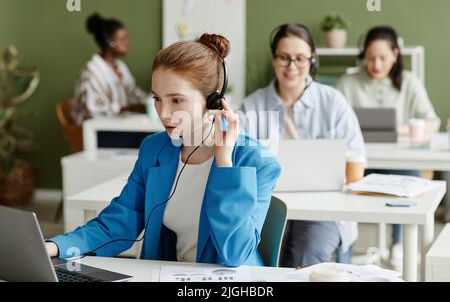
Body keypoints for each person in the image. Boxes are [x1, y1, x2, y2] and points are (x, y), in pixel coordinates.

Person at [45, 33, 281, 267]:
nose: (164, 112)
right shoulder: (155, 149)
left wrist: (224, 161)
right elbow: (121, 219)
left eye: (177, 100)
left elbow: (235, 253)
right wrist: (54, 247)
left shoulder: (256, 161)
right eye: (157, 98)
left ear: (214, 102)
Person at [240, 23, 365, 268]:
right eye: (284, 58)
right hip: (268, 206)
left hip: (323, 210)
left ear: (312, 61)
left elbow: (356, 167)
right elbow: (240, 165)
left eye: (300, 58)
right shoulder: (251, 106)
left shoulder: (333, 102)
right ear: (273, 59)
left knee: (307, 257)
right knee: (262, 258)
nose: (292, 67)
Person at [335, 26, 440, 270]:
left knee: (411, 179)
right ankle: (345, 252)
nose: (376, 64)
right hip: (359, 163)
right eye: (370, 58)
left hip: (399, 164)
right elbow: (334, 123)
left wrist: (405, 129)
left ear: (395, 54)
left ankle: (399, 245)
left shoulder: (410, 83)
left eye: (383, 57)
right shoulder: (347, 82)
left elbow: (431, 121)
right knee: (342, 188)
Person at [72, 13, 148, 125]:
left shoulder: (121, 67)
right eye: (123, 39)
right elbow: (92, 110)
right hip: (95, 130)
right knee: (144, 138)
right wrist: (122, 109)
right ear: (109, 42)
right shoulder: (91, 72)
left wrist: (153, 101)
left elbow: (134, 93)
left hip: (116, 125)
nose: (128, 43)